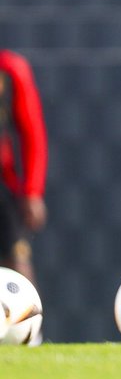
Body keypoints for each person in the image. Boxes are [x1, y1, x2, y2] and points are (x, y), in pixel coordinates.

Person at [0, 50, 49, 291]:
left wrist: (32, 190)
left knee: (16, 261)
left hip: (2, 185)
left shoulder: (10, 69)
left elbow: (32, 133)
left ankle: (30, 326)